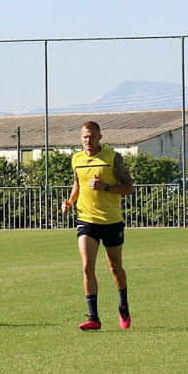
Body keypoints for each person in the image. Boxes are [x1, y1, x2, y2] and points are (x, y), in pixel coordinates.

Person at [60, 121, 134, 331]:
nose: (88, 140)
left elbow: (129, 188)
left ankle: (123, 305)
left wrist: (106, 187)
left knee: (115, 267)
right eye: (84, 137)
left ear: (100, 137)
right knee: (87, 266)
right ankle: (93, 317)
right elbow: (78, 183)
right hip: (86, 220)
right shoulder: (77, 159)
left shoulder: (112, 158)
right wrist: (70, 202)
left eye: (92, 136)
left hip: (111, 221)